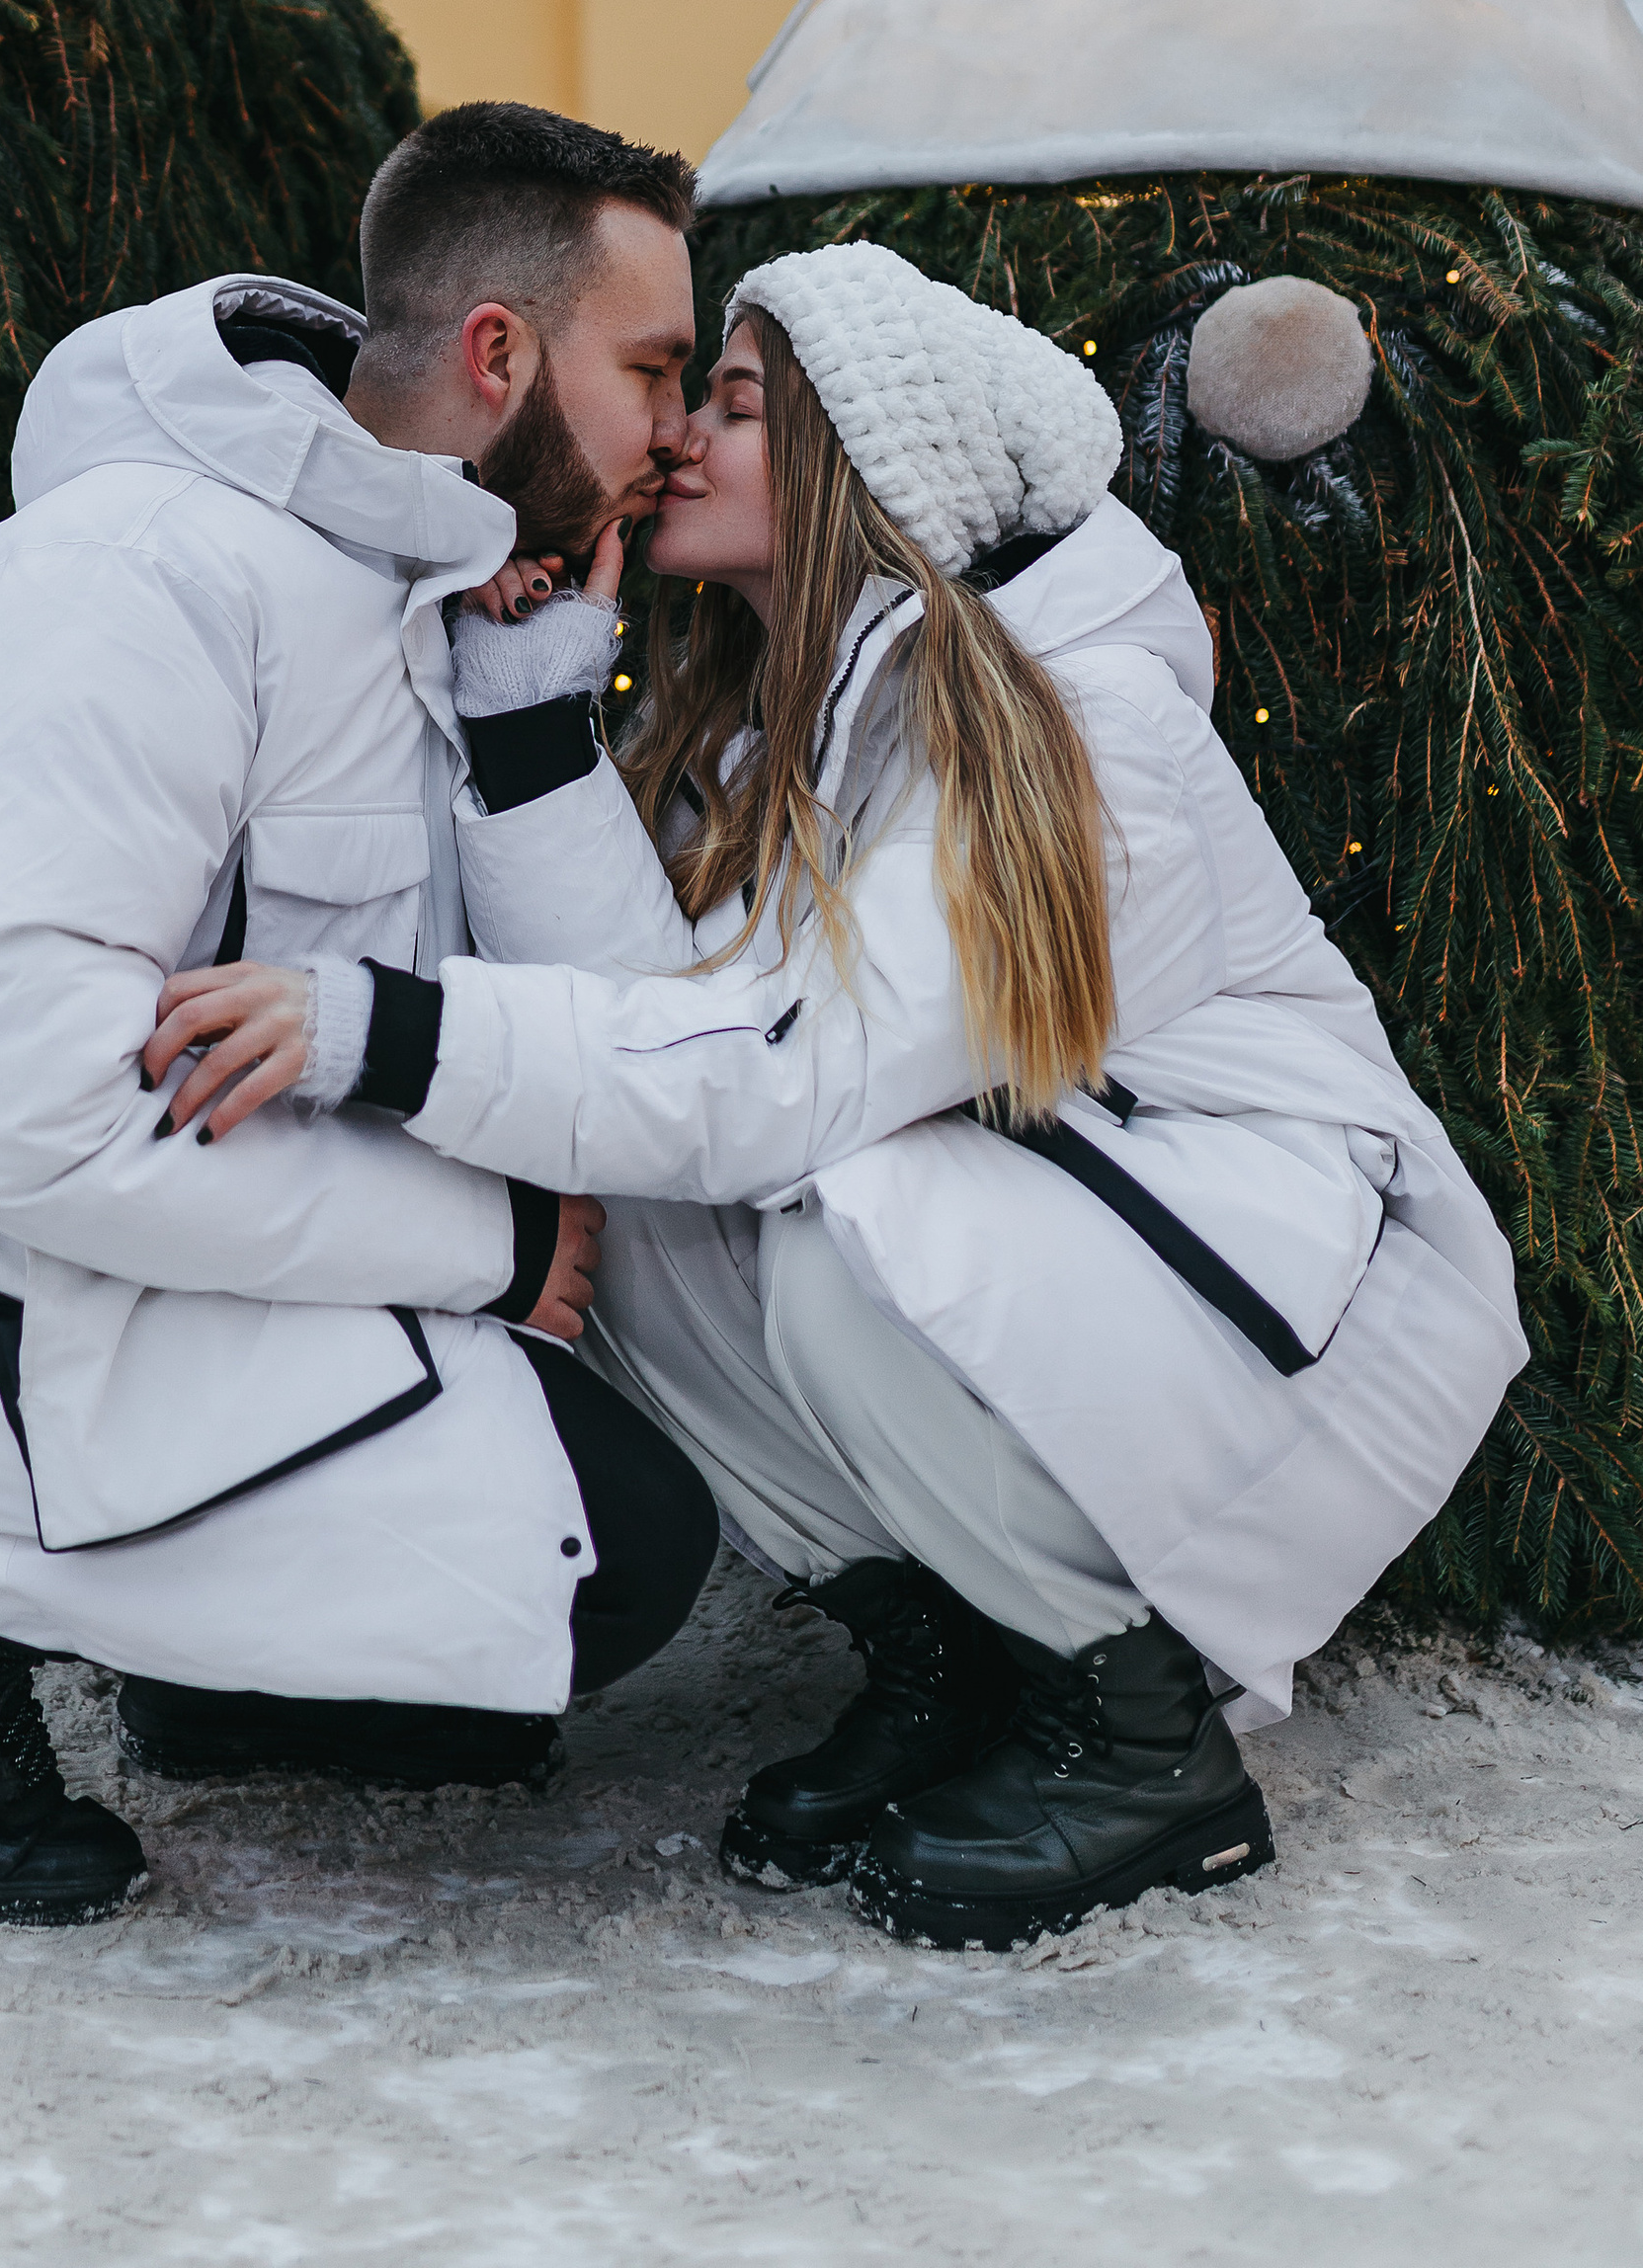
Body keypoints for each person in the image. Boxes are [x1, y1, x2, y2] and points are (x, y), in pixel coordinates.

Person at [147, 238, 1527, 1952]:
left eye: (729, 408)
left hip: (1303, 1299)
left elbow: (783, 1080)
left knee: (840, 1214)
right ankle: (954, 1658)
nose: (676, 448)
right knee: (634, 1204)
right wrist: (525, 725)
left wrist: (382, 1029)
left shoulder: (1080, 734)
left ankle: (1139, 1737)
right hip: (1105, 1253)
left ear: (862, 467)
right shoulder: (795, 731)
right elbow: (662, 1051)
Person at [0, 103, 721, 1926]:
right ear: (500, 351)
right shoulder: (133, 579)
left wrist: (522, 723)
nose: (680, 429)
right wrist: (478, 1242)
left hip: (154, 1247)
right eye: (654, 369)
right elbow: (20, 1108)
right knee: (612, 1549)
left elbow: (637, 1055)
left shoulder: (411, 594)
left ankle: (218, 1668)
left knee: (594, 1549)